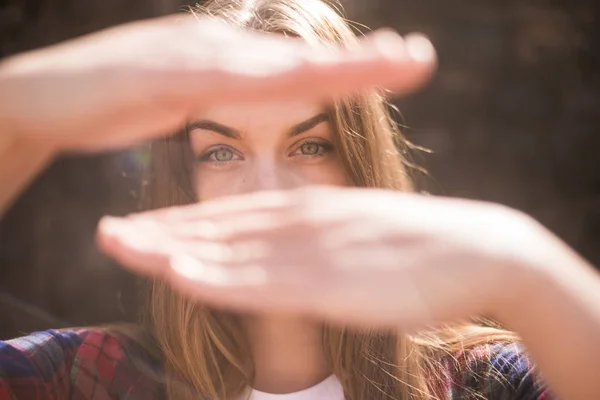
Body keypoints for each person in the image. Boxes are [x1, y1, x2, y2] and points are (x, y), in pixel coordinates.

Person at [0, 0, 599, 399]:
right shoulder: (89, 378)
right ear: (181, 183)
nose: (268, 190)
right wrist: (15, 107)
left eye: (311, 146)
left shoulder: (484, 382)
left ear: (361, 164)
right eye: (221, 152)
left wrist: (525, 268)